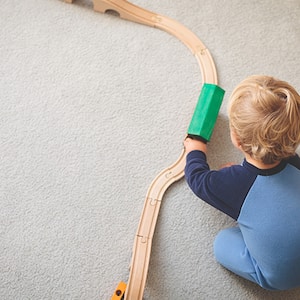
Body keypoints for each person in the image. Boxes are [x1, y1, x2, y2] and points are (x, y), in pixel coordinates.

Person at [184, 75, 300, 290]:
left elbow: (197, 178)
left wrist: (195, 146)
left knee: (222, 242)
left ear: (236, 139)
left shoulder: (234, 185)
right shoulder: (295, 162)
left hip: (282, 279)